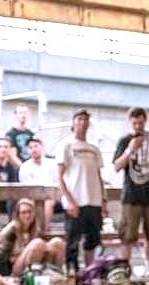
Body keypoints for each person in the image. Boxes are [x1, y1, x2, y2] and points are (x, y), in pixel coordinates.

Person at [112, 107, 149, 276]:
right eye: (135, 123)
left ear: (145, 121)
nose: (138, 126)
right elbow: (117, 166)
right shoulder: (124, 140)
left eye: (141, 122)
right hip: (131, 195)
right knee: (127, 236)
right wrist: (130, 149)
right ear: (130, 122)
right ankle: (125, 271)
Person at [56, 109, 105, 276]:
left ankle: (90, 272)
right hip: (76, 200)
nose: (82, 123)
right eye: (79, 119)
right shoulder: (66, 145)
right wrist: (69, 201)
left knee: (93, 239)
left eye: (85, 120)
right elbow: (60, 176)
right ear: (73, 123)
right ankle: (72, 272)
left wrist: (103, 201)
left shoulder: (94, 148)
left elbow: (99, 176)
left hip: (94, 200)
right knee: (73, 241)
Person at [0, 198, 65, 277]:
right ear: (18, 215)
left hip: (36, 263)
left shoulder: (36, 229)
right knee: (37, 243)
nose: (27, 215)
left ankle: (56, 278)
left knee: (57, 242)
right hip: (14, 269)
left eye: (30, 212)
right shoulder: (11, 230)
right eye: (23, 213)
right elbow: (3, 258)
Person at [17, 137, 58, 229]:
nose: (33, 149)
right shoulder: (25, 167)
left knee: (49, 202)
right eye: (30, 147)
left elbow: (56, 182)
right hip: (32, 196)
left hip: (51, 195)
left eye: (36, 146)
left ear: (42, 147)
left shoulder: (52, 164)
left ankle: (43, 230)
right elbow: (27, 188)